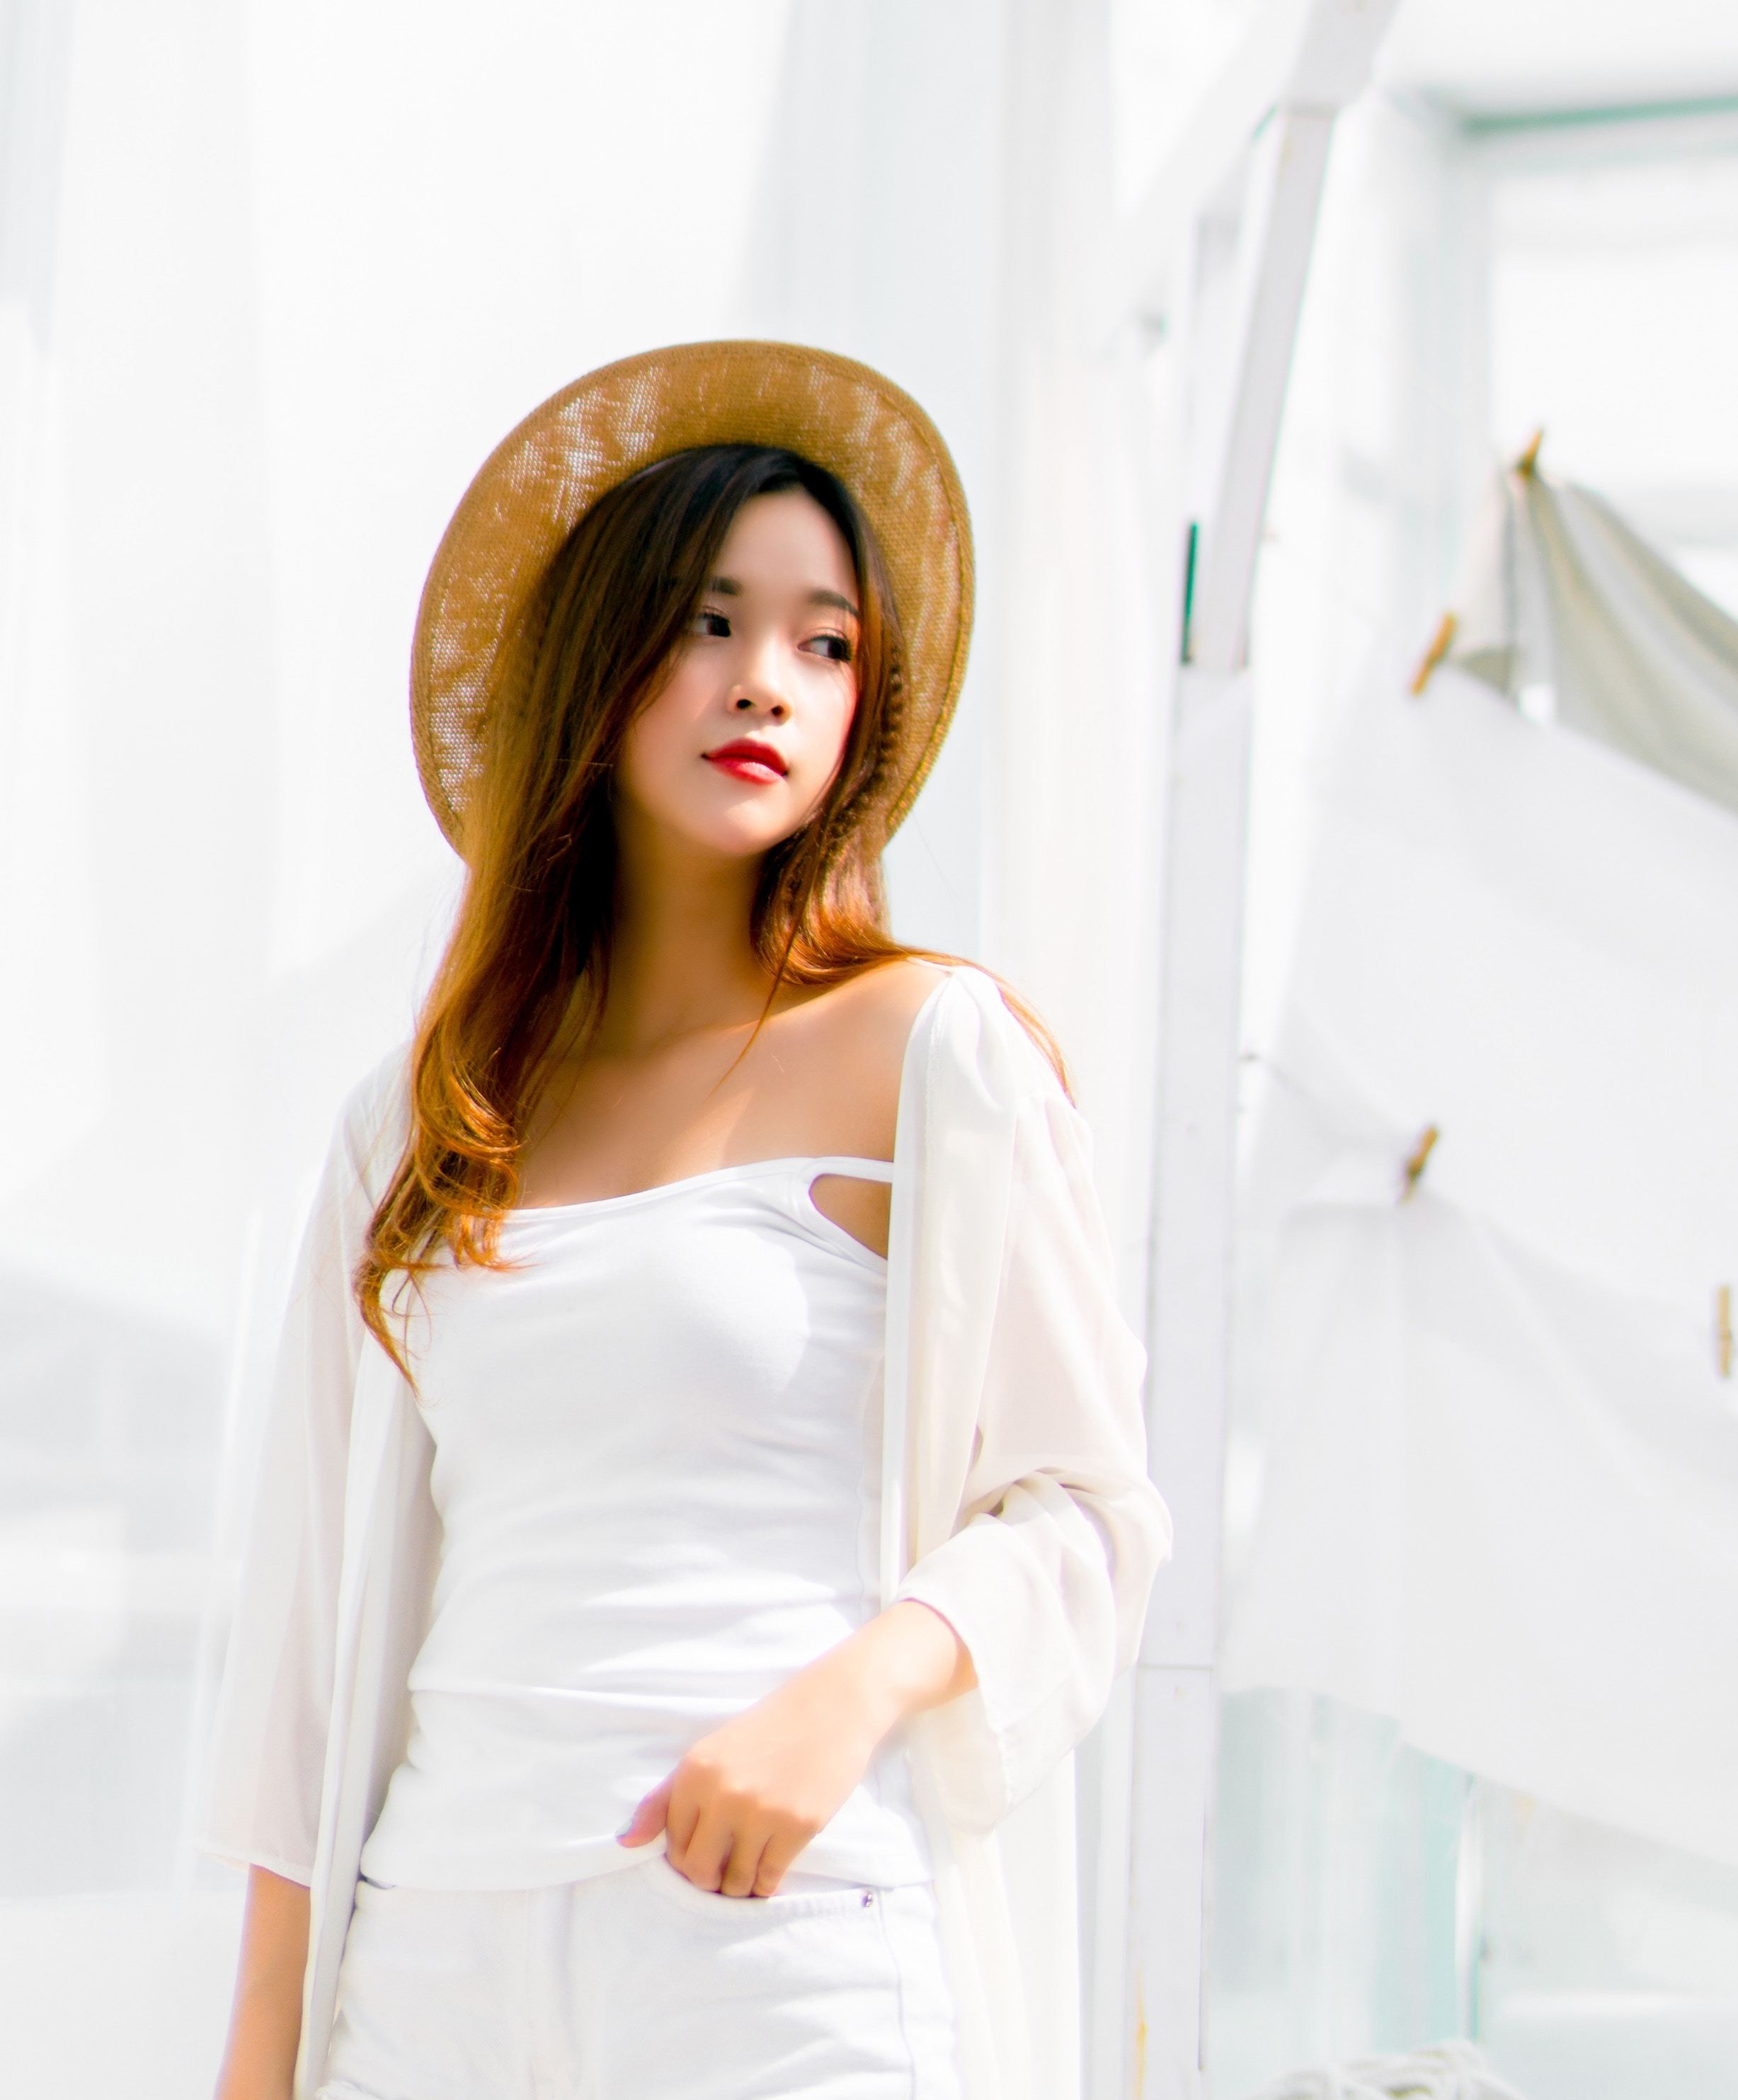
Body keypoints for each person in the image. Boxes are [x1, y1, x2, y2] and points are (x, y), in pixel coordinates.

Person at [197, 342, 1170, 2100]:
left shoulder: (932, 1053)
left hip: (779, 1952)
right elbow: (308, 1655)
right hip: (434, 1953)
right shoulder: (423, 1121)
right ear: (604, 652)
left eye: (825, 642)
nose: (769, 681)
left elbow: (1088, 1510)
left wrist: (850, 1695)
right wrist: (260, 2060)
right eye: (713, 621)